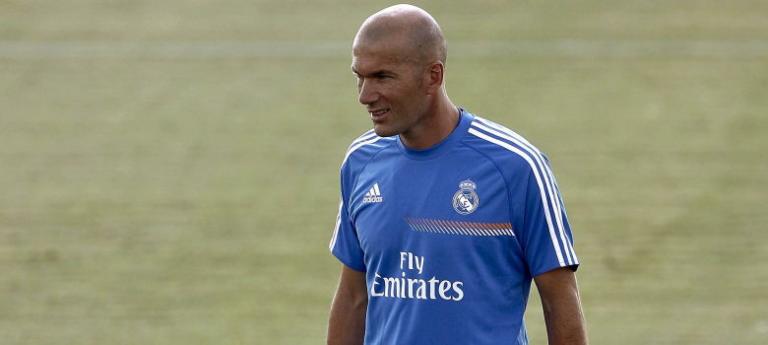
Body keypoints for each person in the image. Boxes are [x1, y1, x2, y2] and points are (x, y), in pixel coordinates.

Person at [327, 4, 588, 345]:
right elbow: (353, 296)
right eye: (359, 76)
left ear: (433, 76)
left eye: (382, 77)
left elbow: (559, 301)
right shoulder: (361, 161)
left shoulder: (516, 167)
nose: (365, 95)